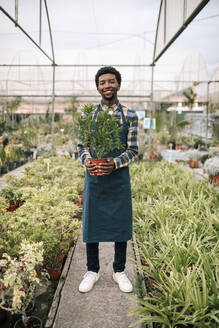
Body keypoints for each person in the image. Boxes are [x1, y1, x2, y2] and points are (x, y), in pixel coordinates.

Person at [78, 66, 138, 293]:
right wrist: (88, 161)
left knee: (120, 224)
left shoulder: (130, 114)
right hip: (94, 178)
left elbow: (133, 149)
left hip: (118, 178)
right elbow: (82, 146)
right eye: (102, 82)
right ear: (98, 88)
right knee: (92, 223)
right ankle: (92, 270)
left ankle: (119, 270)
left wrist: (114, 163)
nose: (107, 85)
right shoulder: (88, 115)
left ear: (118, 85)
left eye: (111, 81)